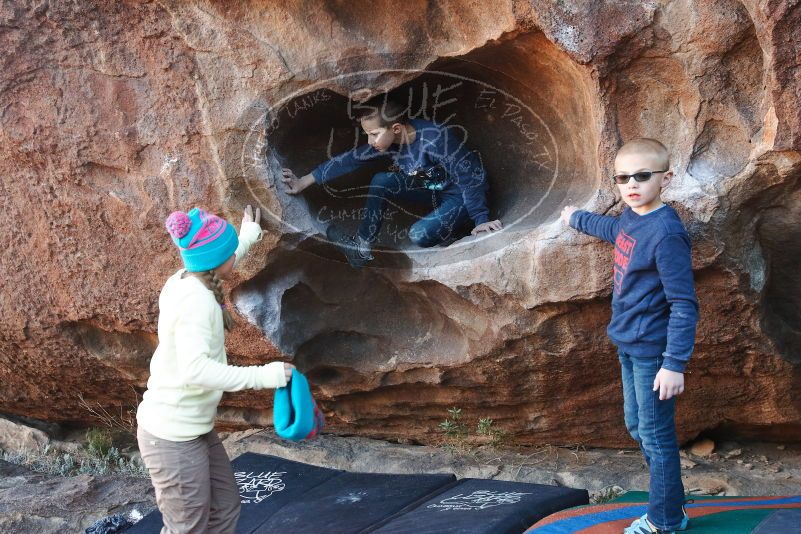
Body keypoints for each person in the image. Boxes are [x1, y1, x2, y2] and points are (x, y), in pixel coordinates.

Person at [561, 138, 699, 534]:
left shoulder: (667, 233)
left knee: (656, 437)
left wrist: (674, 364)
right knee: (638, 427)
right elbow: (614, 230)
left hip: (654, 353)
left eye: (642, 175)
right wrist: (577, 218)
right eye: (623, 177)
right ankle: (671, 502)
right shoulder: (632, 216)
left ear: (666, 178)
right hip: (628, 344)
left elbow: (684, 304)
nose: (631, 184)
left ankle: (665, 519)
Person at [136, 205, 294, 533]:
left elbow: (220, 253)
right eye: (230, 249)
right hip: (171, 435)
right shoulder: (199, 303)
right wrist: (264, 375)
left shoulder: (186, 278)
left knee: (224, 508)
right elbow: (198, 371)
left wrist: (247, 235)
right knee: (187, 526)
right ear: (220, 261)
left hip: (193, 428)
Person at [281, 95, 502, 267]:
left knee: (418, 234)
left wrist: (480, 219)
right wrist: (304, 181)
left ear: (396, 128)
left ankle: (458, 227)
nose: (370, 141)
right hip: (434, 187)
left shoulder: (436, 140)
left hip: (461, 195)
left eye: (374, 134)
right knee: (381, 180)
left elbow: (469, 178)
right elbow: (351, 159)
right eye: (367, 134)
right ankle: (361, 248)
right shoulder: (391, 141)